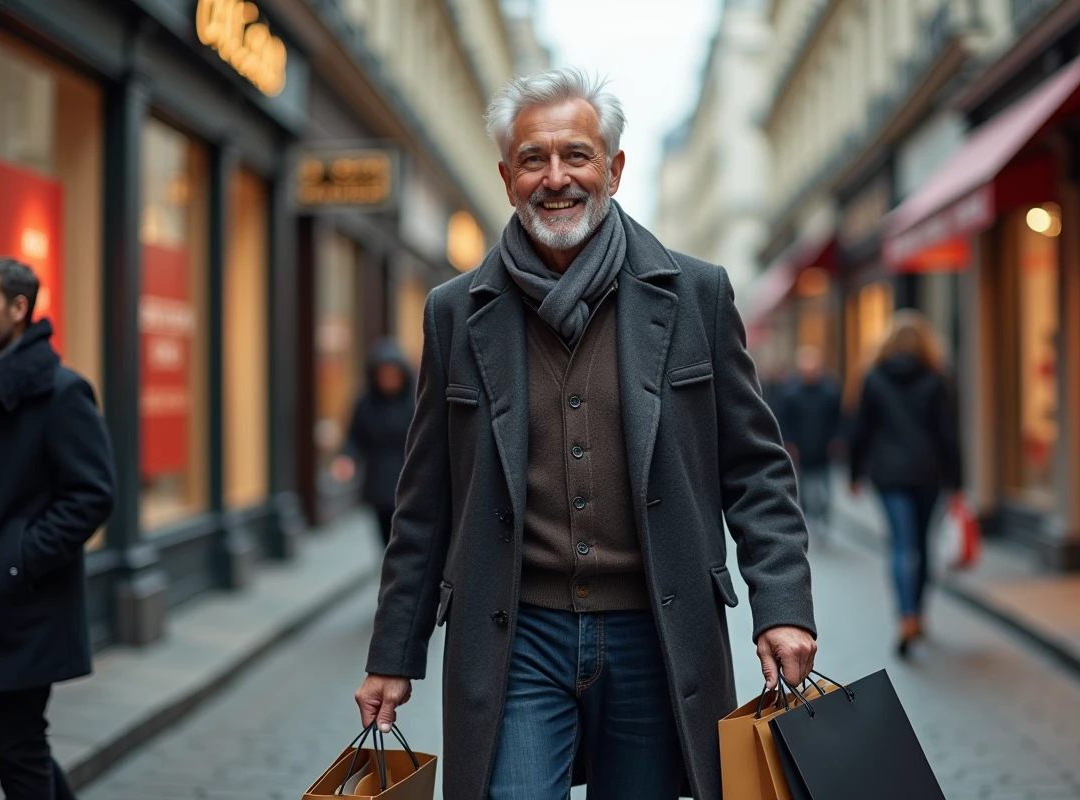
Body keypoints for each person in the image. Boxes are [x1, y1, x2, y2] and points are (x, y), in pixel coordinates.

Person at [354, 68, 816, 800]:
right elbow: (425, 501)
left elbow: (756, 472)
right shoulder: (455, 311)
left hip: (657, 635)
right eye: (533, 159)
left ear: (615, 169)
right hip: (514, 638)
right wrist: (393, 654)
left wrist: (782, 607)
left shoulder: (696, 293)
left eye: (577, 155)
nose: (556, 177)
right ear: (507, 177)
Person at [0, 258, 115, 800]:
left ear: (18, 309)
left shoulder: (61, 392)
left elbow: (92, 495)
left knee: (18, 746)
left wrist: (17, 559)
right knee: (20, 746)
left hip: (23, 606)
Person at [848, 311, 961, 658]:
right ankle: (920, 613)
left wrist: (854, 472)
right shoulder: (936, 378)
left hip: (888, 473)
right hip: (928, 472)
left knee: (900, 544)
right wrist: (957, 480)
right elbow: (948, 434)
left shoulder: (873, 377)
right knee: (922, 544)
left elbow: (860, 429)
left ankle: (905, 616)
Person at [331, 338, 415, 546]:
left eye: (393, 373)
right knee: (384, 535)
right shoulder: (365, 404)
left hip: (409, 477)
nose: (388, 379)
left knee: (407, 532)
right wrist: (346, 458)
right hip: (378, 479)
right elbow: (354, 438)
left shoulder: (414, 403)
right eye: (383, 374)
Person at [774, 346, 842, 531]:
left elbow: (837, 419)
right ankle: (806, 516)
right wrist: (789, 442)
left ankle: (823, 517)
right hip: (802, 447)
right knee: (802, 485)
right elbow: (785, 421)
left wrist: (836, 439)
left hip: (823, 447)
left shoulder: (829, 391)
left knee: (825, 486)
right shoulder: (791, 394)